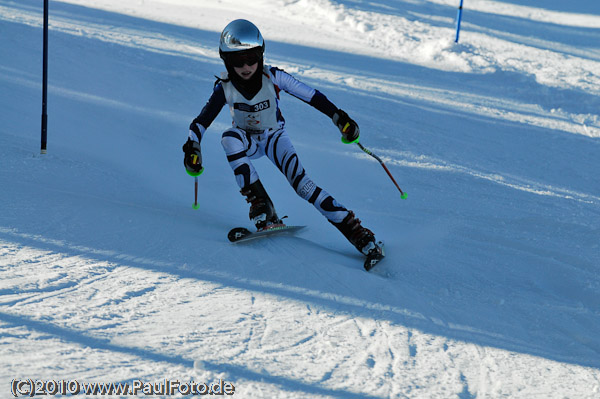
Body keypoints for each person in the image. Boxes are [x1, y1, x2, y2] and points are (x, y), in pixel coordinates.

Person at [183, 19, 381, 257]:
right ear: (226, 60)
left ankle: (359, 234)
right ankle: (262, 207)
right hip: (247, 139)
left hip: (275, 137)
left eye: (252, 58)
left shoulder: (273, 77)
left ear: (261, 55)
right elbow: (200, 122)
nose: (246, 67)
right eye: (237, 61)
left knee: (304, 187)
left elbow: (312, 96)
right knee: (229, 138)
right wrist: (192, 147)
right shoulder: (224, 88)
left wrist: (339, 118)